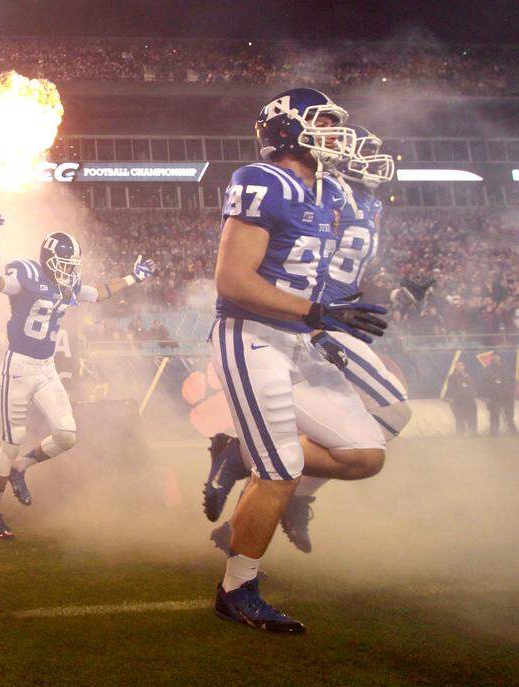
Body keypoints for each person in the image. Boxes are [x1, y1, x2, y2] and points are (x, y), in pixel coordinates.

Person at [199, 88, 390, 633]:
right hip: (251, 334)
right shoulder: (264, 180)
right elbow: (233, 280)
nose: (336, 134)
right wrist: (318, 311)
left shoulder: (327, 194)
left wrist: (335, 312)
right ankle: (237, 589)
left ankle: (241, 453)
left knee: (365, 453)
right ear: (287, 130)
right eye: (324, 123)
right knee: (280, 469)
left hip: (300, 342)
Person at [0, 213, 155, 539]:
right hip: (18, 366)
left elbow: (100, 292)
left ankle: (22, 468)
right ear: (48, 259)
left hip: (45, 368)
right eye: (65, 262)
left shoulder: (68, 284)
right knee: (12, 441)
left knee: (66, 435)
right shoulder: (27, 273)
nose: (70, 269)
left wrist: (133, 278)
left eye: (73, 263)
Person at [484, 356, 517, 436]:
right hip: (495, 397)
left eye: (499, 360)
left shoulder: (505, 370)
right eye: (496, 360)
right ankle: (494, 433)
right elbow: (487, 384)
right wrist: (487, 396)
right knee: (495, 415)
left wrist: (511, 392)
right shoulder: (489, 371)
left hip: (507, 397)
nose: (498, 361)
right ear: (493, 361)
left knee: (509, 416)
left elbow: (513, 381)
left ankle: (513, 432)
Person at [445, 361, 478, 435]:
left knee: (472, 417)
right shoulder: (452, 377)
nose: (459, 367)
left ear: (464, 366)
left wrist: (472, 394)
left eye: (460, 365)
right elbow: (451, 388)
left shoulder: (469, 376)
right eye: (457, 366)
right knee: (460, 418)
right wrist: (459, 394)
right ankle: (460, 434)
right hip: (459, 401)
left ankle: (473, 433)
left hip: (470, 400)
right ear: (455, 367)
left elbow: (473, 387)